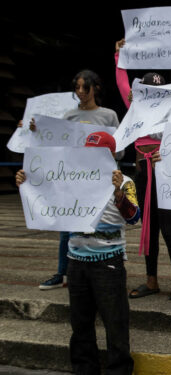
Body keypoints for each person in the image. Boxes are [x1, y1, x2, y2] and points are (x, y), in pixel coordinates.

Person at [17, 131, 140, 374]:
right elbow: (46, 195)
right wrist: (27, 181)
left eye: (96, 151)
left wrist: (118, 195)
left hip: (109, 264)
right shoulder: (71, 179)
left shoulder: (125, 181)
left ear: (110, 154)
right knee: (80, 326)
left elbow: (134, 217)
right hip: (76, 263)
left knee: (116, 326)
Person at [115, 35, 171, 301]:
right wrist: (119, 56)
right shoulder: (135, 107)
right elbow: (121, 83)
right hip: (143, 172)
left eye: (158, 92)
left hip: (164, 172)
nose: (153, 96)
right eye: (149, 91)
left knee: (167, 226)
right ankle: (151, 280)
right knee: (147, 226)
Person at [25, 69, 120, 290]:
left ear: (95, 88)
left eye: (84, 88)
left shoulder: (109, 116)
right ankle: (62, 272)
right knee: (67, 226)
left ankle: (97, 269)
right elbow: (56, 146)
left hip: (99, 179)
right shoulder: (68, 116)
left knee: (97, 223)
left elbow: (119, 149)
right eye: (76, 88)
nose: (80, 92)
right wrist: (37, 131)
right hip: (73, 176)